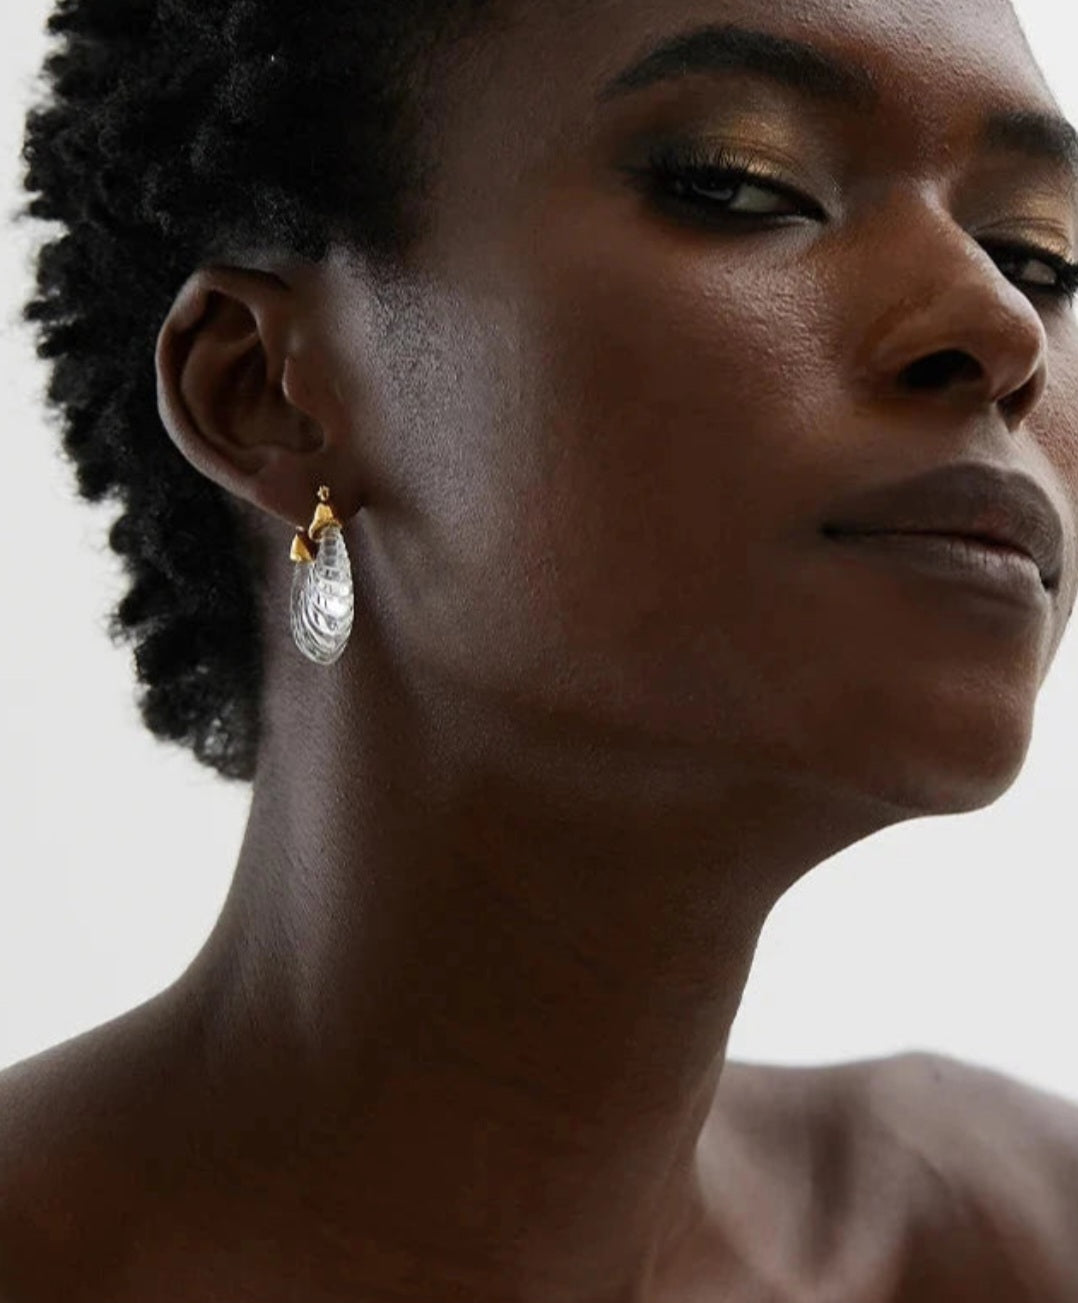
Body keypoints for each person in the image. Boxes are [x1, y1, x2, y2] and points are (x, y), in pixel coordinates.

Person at [2, 0, 1077, 1298]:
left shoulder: (1006, 1237)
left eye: (1037, 256)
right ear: (264, 392)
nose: (1001, 329)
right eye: (739, 183)